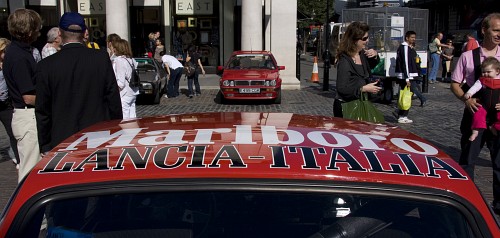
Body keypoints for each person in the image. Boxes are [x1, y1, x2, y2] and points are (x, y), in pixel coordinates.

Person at [35, 12, 122, 155]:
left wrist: (45, 145)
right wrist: (116, 130)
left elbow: (43, 109)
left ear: (60, 33)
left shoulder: (46, 65)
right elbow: (113, 99)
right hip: (98, 137)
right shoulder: (100, 58)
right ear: (84, 33)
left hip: (62, 139)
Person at [450, 12, 500, 213]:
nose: (499, 34)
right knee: (468, 160)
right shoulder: (467, 56)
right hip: (475, 115)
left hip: (497, 118)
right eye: (496, 30)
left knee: (499, 163)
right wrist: (466, 98)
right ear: (484, 30)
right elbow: (455, 83)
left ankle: (499, 203)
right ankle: (467, 201)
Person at [3, 8, 42, 182]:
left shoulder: (17, 52)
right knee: (30, 170)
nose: (39, 32)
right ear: (28, 31)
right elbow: (28, 96)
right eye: (37, 28)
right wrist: (53, 100)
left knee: (32, 166)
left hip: (25, 115)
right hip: (27, 115)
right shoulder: (19, 57)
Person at [333, 21, 381, 118]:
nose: (367, 40)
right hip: (347, 107)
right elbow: (341, 89)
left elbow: (371, 66)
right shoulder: (345, 61)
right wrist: (363, 89)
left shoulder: (362, 54)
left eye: (367, 37)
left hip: (360, 102)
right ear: (354, 40)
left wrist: (375, 55)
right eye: (364, 38)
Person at [463, 57, 500, 141]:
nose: (485, 74)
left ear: (497, 71)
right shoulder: (482, 80)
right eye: (483, 72)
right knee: (478, 115)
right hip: (484, 105)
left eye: (488, 72)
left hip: (497, 106)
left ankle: (494, 126)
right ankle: (475, 132)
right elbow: (475, 87)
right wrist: (469, 93)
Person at [394, 31, 427, 123]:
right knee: (407, 95)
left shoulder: (409, 48)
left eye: (414, 37)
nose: (413, 39)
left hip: (410, 75)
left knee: (409, 93)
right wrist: (407, 78)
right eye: (412, 37)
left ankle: (400, 112)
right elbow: (405, 63)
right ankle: (402, 115)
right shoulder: (404, 47)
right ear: (407, 38)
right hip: (407, 76)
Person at [0, 38, 20, 167]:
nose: (5, 54)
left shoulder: (8, 63)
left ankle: (18, 158)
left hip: (5, 103)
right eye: (3, 51)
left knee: (12, 132)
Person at [111, 38, 139, 119]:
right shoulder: (131, 59)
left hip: (124, 93)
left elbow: (120, 82)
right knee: (132, 116)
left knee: (125, 118)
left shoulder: (119, 61)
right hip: (133, 91)